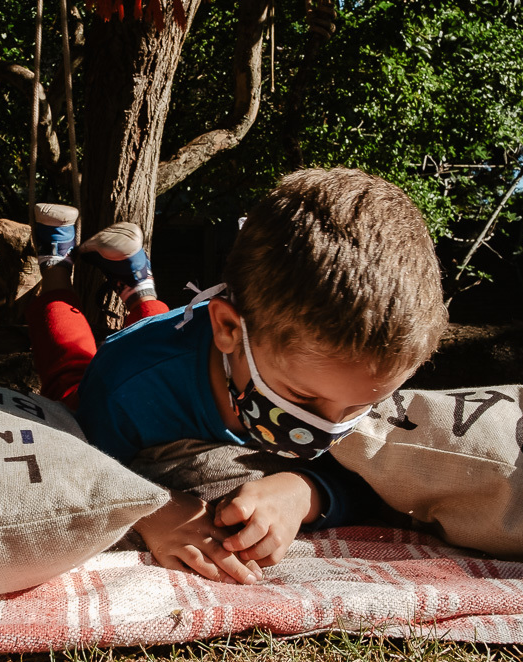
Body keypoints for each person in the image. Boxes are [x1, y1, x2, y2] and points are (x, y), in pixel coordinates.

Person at [25, 167, 448, 586]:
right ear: (228, 328)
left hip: (184, 344)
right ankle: (57, 265)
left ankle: (138, 282)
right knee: (69, 369)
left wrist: (303, 493)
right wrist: (153, 511)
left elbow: (368, 483)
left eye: (361, 406)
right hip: (137, 360)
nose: (327, 429)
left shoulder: (328, 372)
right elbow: (80, 475)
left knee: (165, 335)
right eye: (301, 399)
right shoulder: (123, 389)